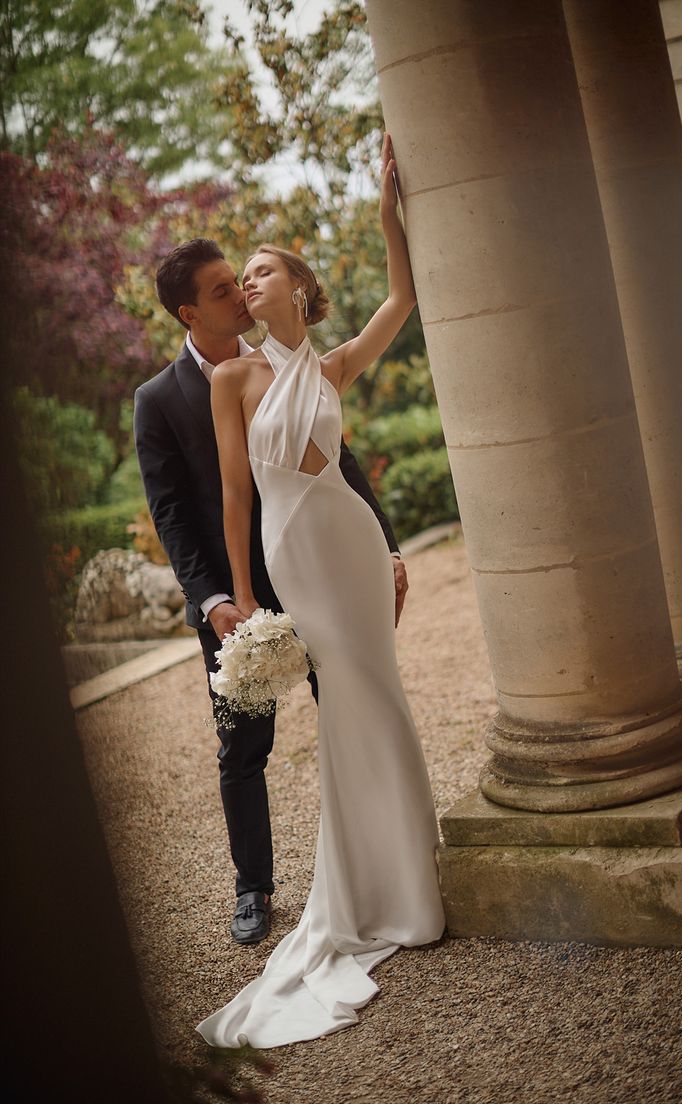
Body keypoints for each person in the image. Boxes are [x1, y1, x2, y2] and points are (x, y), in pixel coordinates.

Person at [195, 134, 446, 1050]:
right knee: (345, 697)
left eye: (262, 271)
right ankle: (370, 891)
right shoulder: (233, 378)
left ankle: (406, 882)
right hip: (290, 547)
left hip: (349, 538)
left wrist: (387, 213)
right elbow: (233, 494)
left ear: (297, 288)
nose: (250, 282)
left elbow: (403, 298)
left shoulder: (333, 364)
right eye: (244, 276)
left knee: (378, 692)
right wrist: (242, 599)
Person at [134, 237, 408, 949]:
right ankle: (252, 888)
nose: (239, 292)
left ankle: (388, 859)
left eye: (243, 279)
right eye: (224, 288)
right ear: (191, 312)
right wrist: (218, 598)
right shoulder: (161, 398)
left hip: (330, 566)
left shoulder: (303, 365)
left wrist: (390, 545)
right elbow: (173, 508)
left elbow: (337, 462)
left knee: (353, 703)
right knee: (244, 746)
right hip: (241, 594)